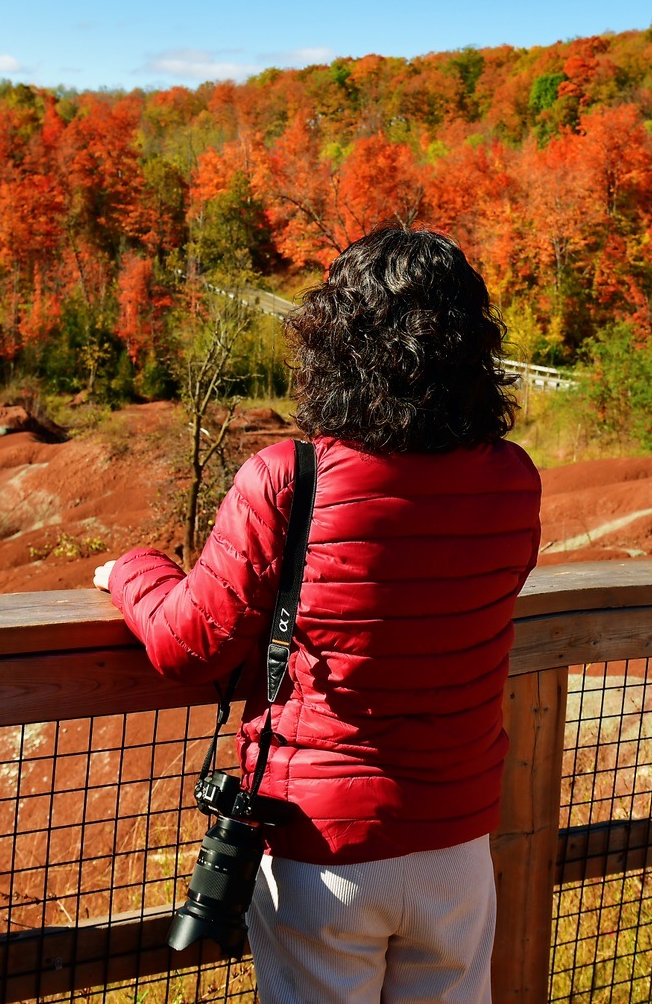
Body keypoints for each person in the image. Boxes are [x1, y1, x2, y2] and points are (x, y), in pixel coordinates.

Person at [93, 226, 542, 1004]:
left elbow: (184, 645)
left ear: (338, 340)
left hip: (323, 846)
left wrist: (131, 569)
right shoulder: (512, 480)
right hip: (457, 845)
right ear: (471, 345)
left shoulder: (288, 479)